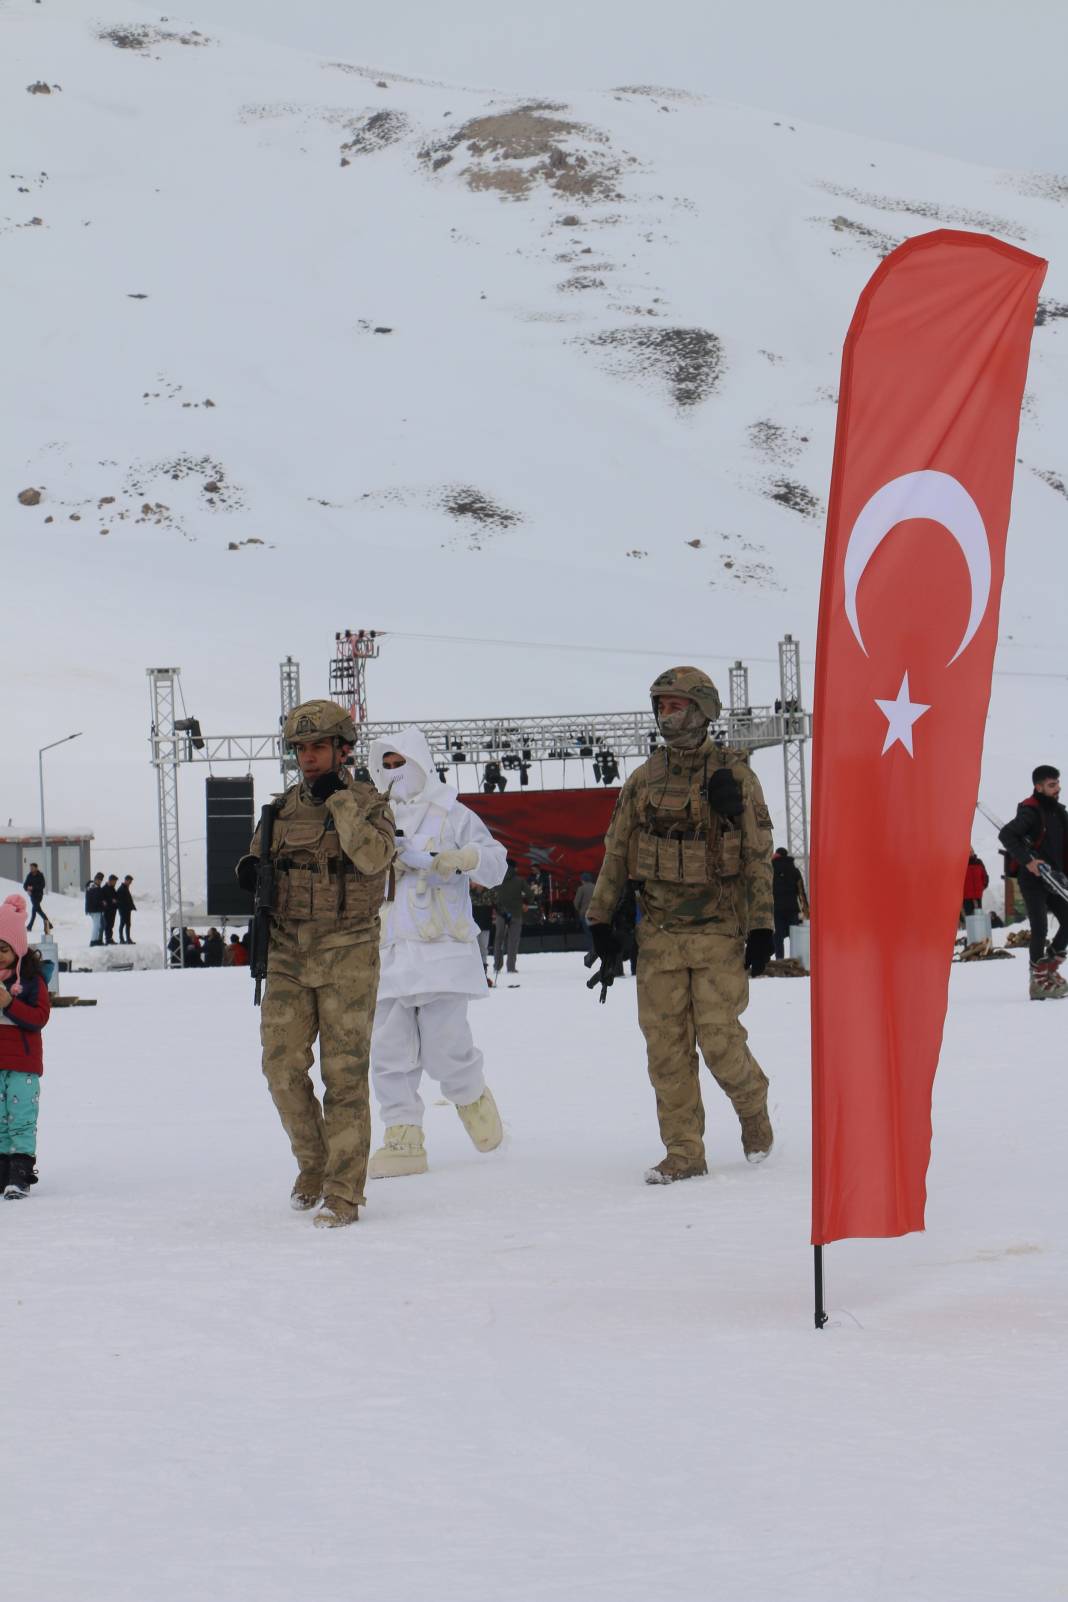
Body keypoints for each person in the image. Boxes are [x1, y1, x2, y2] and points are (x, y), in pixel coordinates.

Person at [586, 665, 775, 1183]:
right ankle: (684, 1151)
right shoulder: (645, 779)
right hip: (660, 935)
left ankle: (752, 1104)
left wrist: (762, 926)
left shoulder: (735, 776)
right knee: (665, 1047)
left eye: (676, 705)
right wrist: (600, 918)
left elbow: (758, 854)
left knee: (718, 1040)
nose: (667, 715)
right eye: (661, 706)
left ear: (702, 710)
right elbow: (617, 852)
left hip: (717, 931)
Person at [236, 699, 394, 1229]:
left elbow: (374, 858)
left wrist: (341, 804)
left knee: (344, 1076)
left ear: (342, 749)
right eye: (301, 749)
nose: (309, 758)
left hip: (347, 950)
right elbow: (259, 862)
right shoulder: (278, 812)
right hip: (287, 952)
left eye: (319, 747)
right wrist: (250, 871)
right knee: (280, 1068)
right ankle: (314, 1163)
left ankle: (344, 1190)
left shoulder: (369, 803)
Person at [366, 726, 508, 1179]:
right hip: (388, 951)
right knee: (388, 1050)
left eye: (400, 763)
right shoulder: (373, 816)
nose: (393, 773)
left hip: (440, 949)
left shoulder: (453, 813)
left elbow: (496, 860)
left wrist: (462, 858)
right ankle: (402, 1135)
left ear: (420, 762)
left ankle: (470, 1096)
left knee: (446, 1046)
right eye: (385, 765)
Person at [998, 765, 1068, 1000]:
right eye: (1051, 785)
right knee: (1040, 928)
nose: (1057, 788)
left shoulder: (1059, 812)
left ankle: (1047, 968)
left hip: (1055, 879)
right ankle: (1037, 983)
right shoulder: (1030, 811)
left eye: (1057, 783)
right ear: (1038, 787)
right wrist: (1028, 861)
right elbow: (1007, 834)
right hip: (1033, 880)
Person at [0, 895, 51, 1200]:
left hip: (22, 1064)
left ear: (17, 948)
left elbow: (39, 1018)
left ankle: (19, 1174)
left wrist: (9, 1004)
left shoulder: (31, 981)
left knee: (20, 1118)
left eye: (4, 949)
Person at [493, 860, 528, 985]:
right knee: (513, 941)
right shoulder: (519, 880)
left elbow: (493, 894)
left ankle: (497, 965)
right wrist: (524, 903)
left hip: (501, 914)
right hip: (516, 914)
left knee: (499, 939)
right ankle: (511, 966)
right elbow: (530, 894)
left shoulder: (498, 879)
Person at [772, 847, 808, 961]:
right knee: (795, 937)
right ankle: (796, 961)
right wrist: (806, 911)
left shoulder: (770, 870)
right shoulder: (795, 871)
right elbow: (801, 892)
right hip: (792, 909)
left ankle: (780, 961)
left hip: (776, 910)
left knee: (778, 938)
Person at [574, 871, 596, 966]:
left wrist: (580, 910)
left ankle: (592, 951)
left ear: (582, 880)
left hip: (586, 914)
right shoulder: (596, 887)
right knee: (596, 932)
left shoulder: (581, 889)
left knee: (588, 933)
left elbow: (576, 902)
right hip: (597, 913)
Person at [22, 864, 49, 934]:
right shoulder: (29, 875)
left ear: (36, 868)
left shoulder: (40, 875)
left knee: (34, 910)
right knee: (38, 910)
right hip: (32, 896)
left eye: (32, 868)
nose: (31, 869)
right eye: (30, 868)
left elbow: (42, 885)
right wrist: (27, 889)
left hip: (39, 895)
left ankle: (29, 926)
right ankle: (48, 923)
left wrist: (33, 888)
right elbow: (25, 885)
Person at [962, 849, 988, 919]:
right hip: (966, 895)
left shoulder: (979, 862)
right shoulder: (961, 862)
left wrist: (983, 885)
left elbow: (984, 875)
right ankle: (970, 929)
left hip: (977, 894)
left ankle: (979, 929)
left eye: (971, 851)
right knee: (969, 916)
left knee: (978, 915)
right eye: (969, 852)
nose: (970, 853)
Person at [85, 873, 105, 945]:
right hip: (95, 909)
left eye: (100, 880)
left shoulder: (93, 886)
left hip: (93, 909)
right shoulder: (94, 887)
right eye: (99, 880)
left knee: (98, 925)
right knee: (96, 925)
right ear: (95, 879)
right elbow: (96, 899)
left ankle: (96, 940)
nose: (100, 881)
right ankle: (93, 941)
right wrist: (102, 903)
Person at [116, 875, 136, 943]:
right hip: (123, 910)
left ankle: (128, 938)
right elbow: (121, 901)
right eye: (129, 881)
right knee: (123, 923)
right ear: (126, 880)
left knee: (127, 924)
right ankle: (122, 939)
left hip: (127, 909)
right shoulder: (122, 889)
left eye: (130, 882)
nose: (130, 883)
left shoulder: (125, 888)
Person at [100, 874, 119, 945]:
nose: (115, 883)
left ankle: (110, 938)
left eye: (116, 882)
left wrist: (116, 901)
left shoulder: (112, 888)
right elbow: (103, 898)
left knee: (111, 924)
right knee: (108, 925)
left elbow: (116, 896)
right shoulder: (104, 888)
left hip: (113, 909)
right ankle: (108, 939)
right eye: (114, 881)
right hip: (107, 910)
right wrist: (110, 901)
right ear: (110, 880)